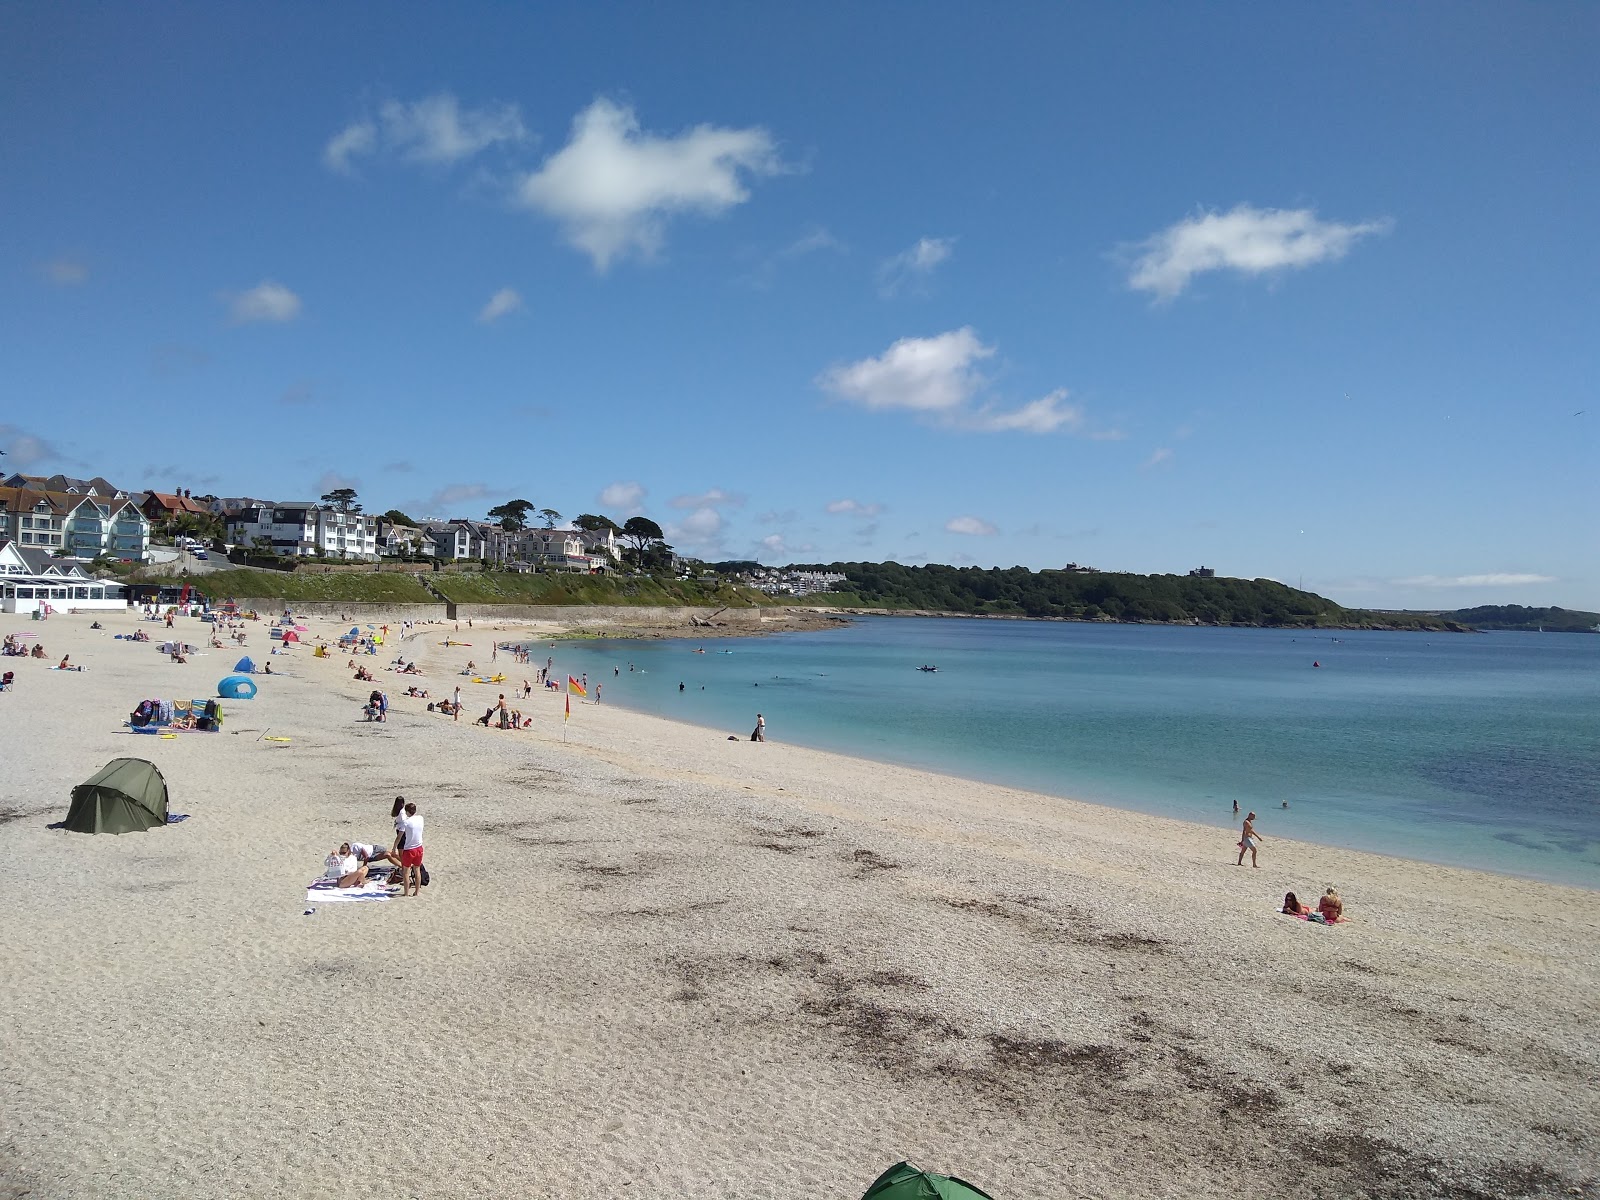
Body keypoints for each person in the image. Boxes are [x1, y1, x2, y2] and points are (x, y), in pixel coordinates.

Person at [397, 802, 425, 897]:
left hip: (409, 849)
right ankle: (417, 892)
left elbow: (399, 836)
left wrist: (394, 846)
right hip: (419, 848)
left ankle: (406, 893)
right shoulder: (420, 818)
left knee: (406, 871)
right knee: (417, 869)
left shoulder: (406, 822)